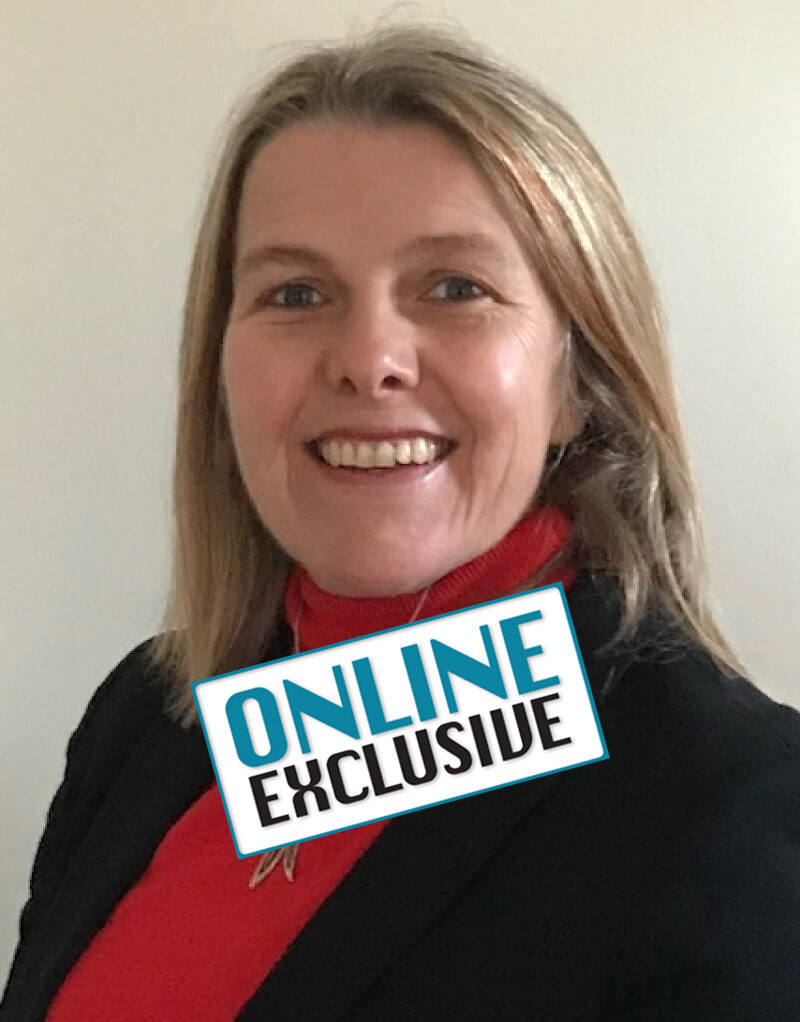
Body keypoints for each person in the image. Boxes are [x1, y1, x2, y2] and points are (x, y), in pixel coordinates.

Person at [3, 21, 800, 1022]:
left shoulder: (721, 799)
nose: (368, 358)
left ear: (577, 382)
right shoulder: (145, 718)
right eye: (296, 292)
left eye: (456, 288)